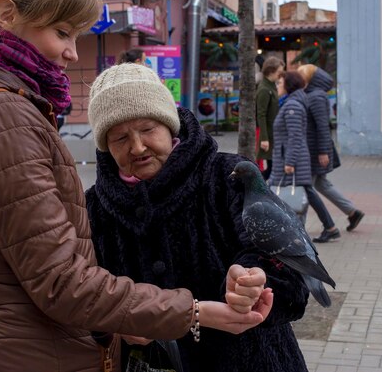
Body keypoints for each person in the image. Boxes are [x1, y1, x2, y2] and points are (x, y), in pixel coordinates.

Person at [0, 0, 272, 371]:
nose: (73, 53)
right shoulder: (1, 117)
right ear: (7, 14)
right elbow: (60, 283)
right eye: (62, 33)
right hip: (33, 357)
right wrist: (195, 311)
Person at [86, 63, 310, 372]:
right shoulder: (95, 207)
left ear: (170, 125)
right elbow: (86, 295)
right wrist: (114, 325)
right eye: (120, 138)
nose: (137, 147)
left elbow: (292, 280)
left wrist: (253, 282)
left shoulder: (228, 178)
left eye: (148, 129)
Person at [298, 65, 364, 241]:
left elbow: (323, 127)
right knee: (321, 184)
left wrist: (322, 151)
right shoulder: (312, 95)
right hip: (313, 148)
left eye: (302, 76)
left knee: (305, 188)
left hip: (314, 150)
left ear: (310, 78)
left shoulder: (316, 97)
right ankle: (351, 212)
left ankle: (300, 229)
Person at [269, 71, 338, 236]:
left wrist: (290, 162)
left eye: (280, 83)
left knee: (290, 192)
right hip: (289, 158)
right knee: (306, 191)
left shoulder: (292, 106)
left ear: (289, 85)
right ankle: (328, 227)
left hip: (291, 160)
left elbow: (295, 136)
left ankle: (296, 233)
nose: (277, 86)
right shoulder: (290, 103)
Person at [255, 56, 284, 180]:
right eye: (279, 72)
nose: (281, 74)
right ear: (271, 71)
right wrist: (264, 138)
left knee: (272, 168)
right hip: (269, 134)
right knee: (271, 169)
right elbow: (261, 115)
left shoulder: (271, 87)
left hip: (273, 133)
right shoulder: (264, 89)